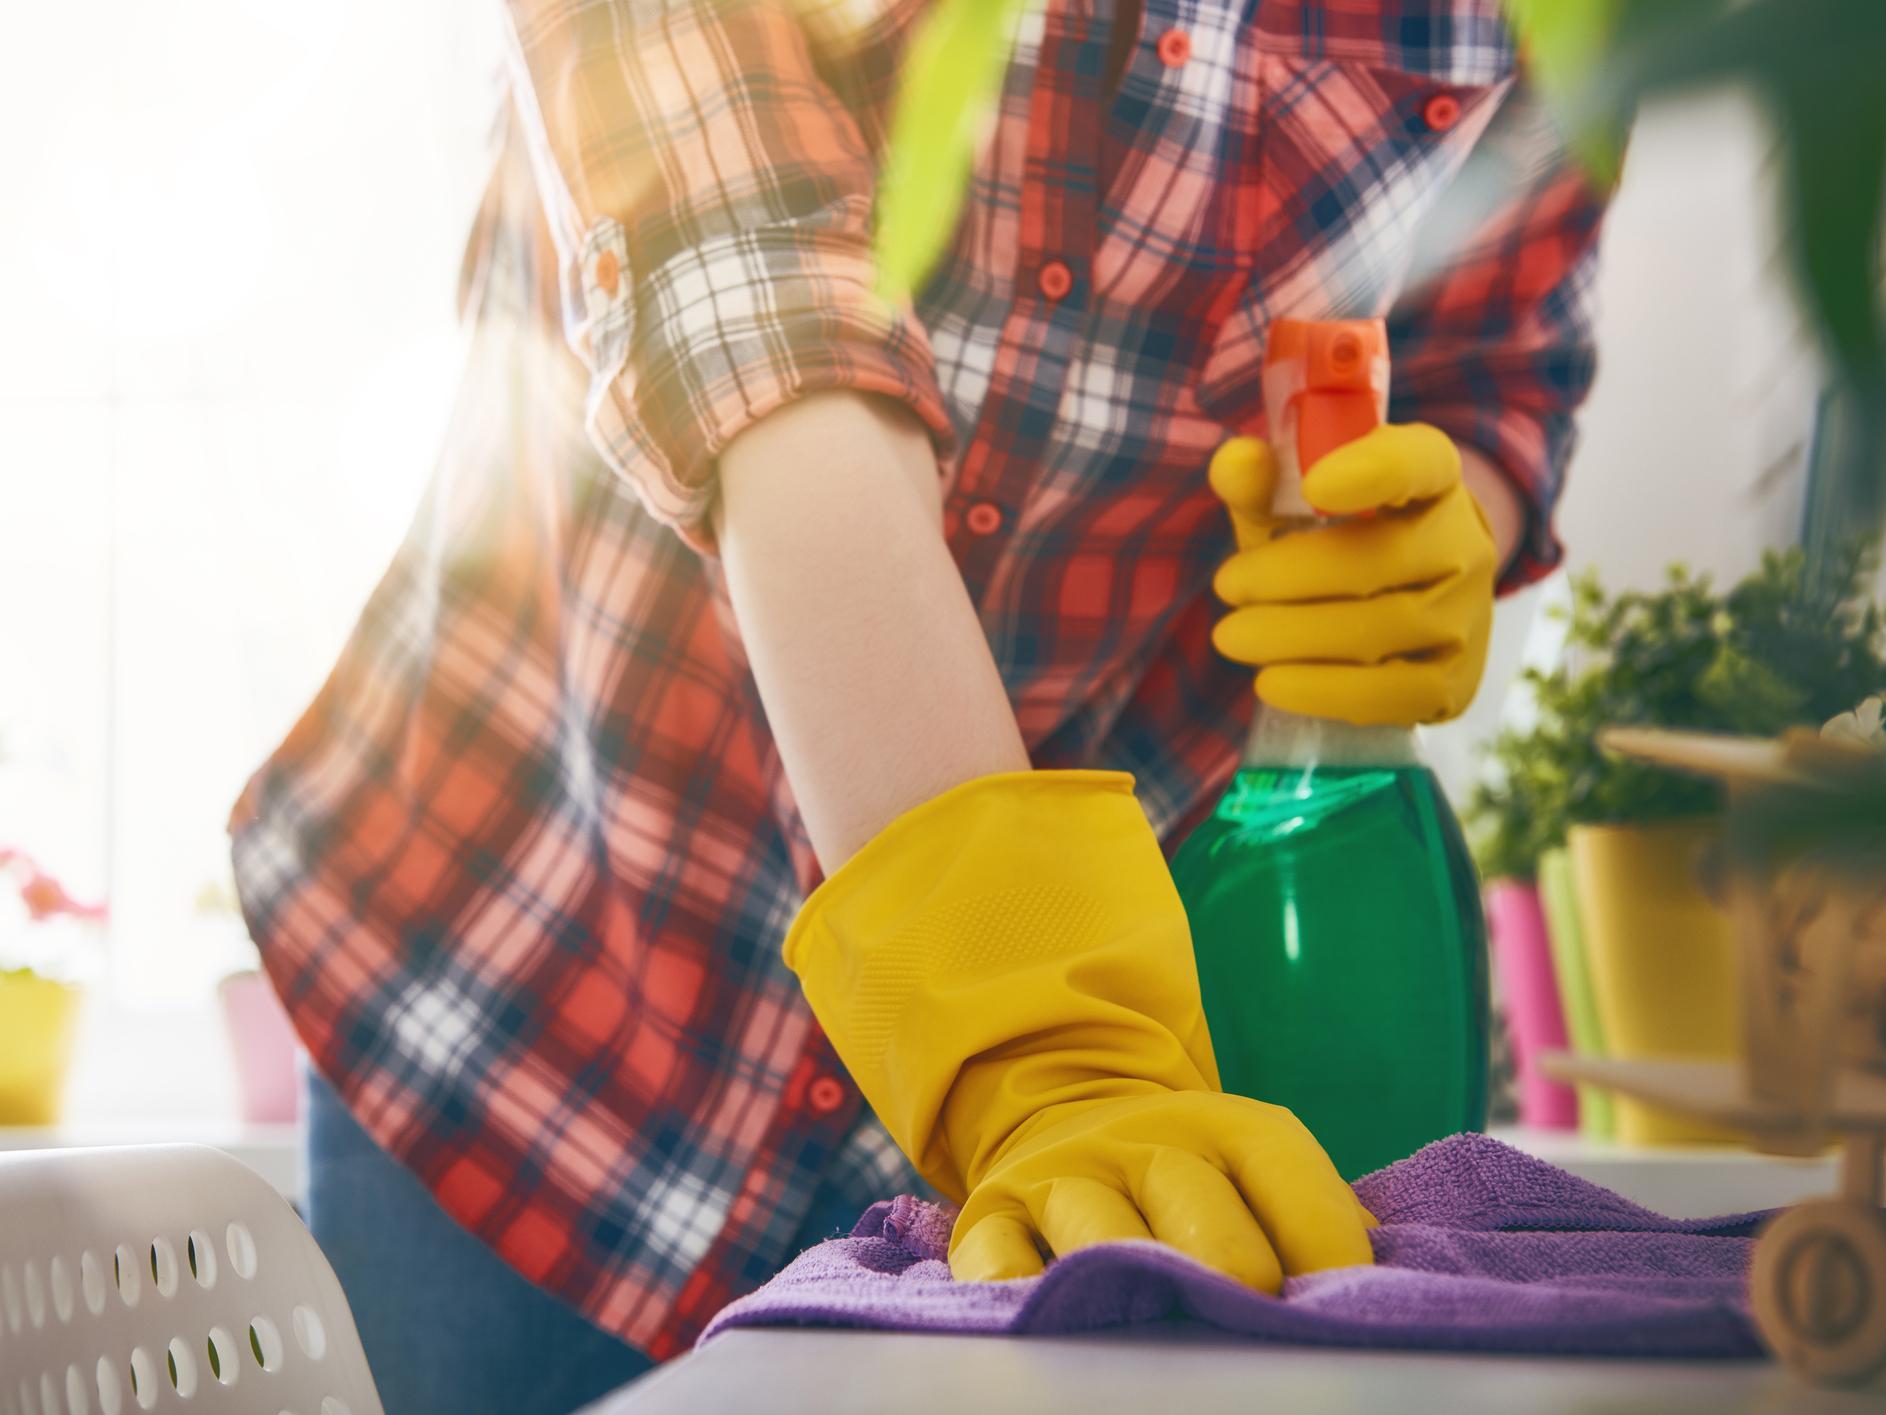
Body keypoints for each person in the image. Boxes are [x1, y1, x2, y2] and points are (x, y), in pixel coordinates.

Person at [229, 0, 1607, 1408]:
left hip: (1085, 1122)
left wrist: (1444, 525)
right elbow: (756, 322)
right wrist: (1043, 1044)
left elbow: (1497, 368)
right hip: (529, 985)